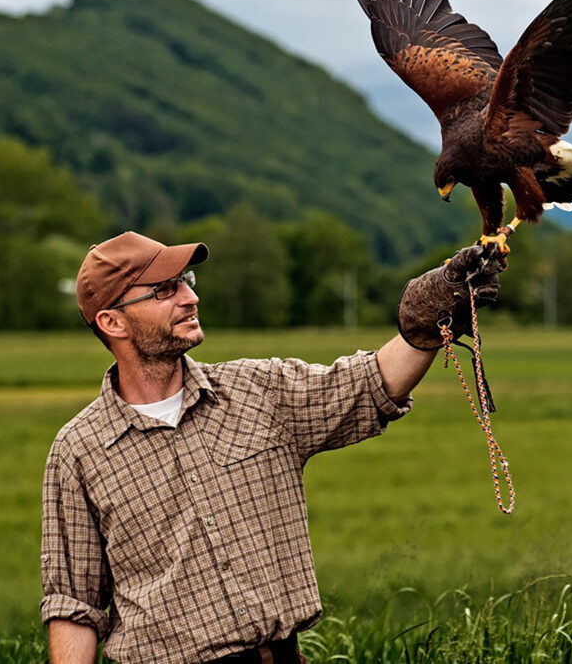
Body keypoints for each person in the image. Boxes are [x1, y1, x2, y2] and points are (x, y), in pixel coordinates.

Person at [41, 231, 504, 663]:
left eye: (185, 282)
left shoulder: (259, 389)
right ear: (111, 322)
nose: (190, 297)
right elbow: (73, 605)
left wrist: (424, 326)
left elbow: (368, 386)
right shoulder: (79, 451)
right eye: (164, 290)